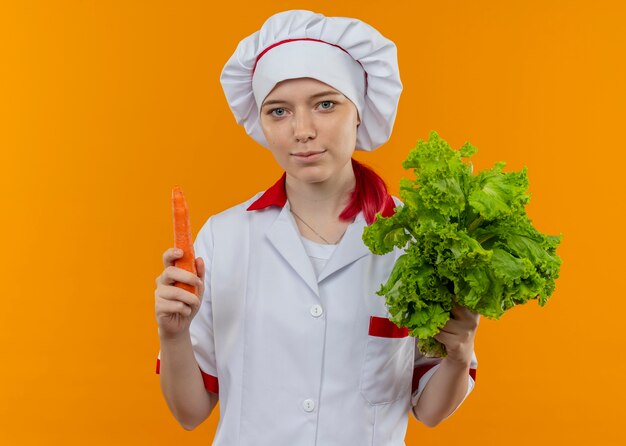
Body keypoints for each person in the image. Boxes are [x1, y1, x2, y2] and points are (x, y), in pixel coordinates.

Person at [154, 9, 479, 445]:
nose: (302, 130)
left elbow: (431, 411)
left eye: (325, 104)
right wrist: (172, 335)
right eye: (279, 111)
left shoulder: (417, 241)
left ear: (359, 111)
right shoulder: (224, 238)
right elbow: (190, 413)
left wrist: (459, 352)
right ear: (262, 123)